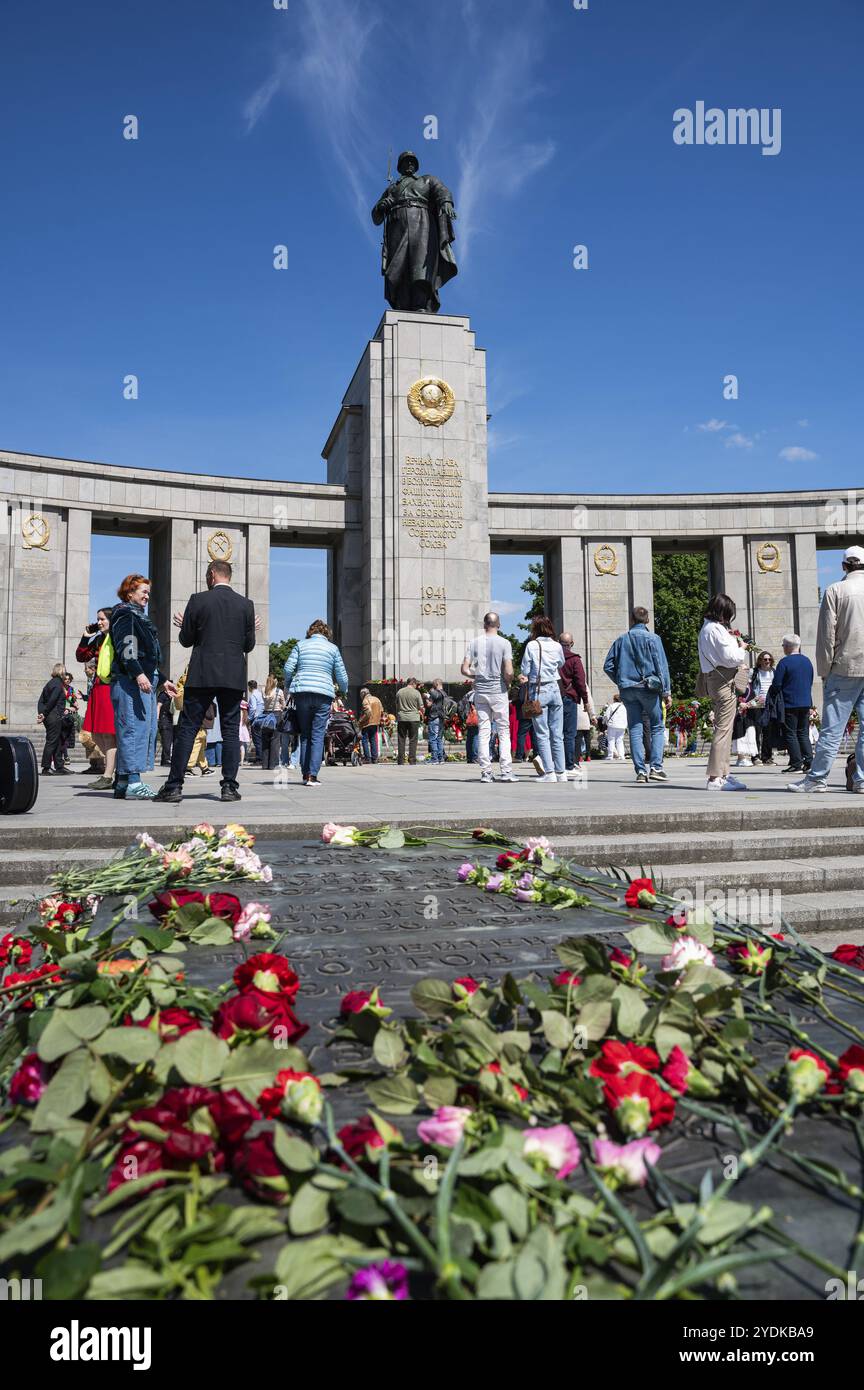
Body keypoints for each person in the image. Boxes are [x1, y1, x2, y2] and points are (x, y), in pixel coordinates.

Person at [153, 559, 256, 804]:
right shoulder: (246, 605)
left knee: (188, 728)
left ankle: (174, 786)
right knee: (231, 730)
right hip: (232, 675)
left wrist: (184, 625)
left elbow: (187, 640)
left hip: (202, 673)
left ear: (211, 574)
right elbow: (248, 645)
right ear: (228, 576)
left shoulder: (198, 600)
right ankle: (229, 787)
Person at [790, 546, 864, 794]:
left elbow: (826, 635)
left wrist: (824, 669)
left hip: (845, 666)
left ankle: (817, 778)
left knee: (832, 729)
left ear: (844, 566)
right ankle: (862, 780)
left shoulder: (835, 590)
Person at [109, 576, 178, 799]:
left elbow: (148, 656)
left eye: (148, 592)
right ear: (130, 593)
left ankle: (122, 782)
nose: (147, 596)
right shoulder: (125, 614)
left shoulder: (137, 615)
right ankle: (134, 783)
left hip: (141, 679)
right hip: (129, 682)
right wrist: (138, 673)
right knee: (132, 730)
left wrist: (162, 678)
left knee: (138, 729)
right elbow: (126, 646)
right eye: (143, 592)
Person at [604, 606, 672, 784]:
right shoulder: (653, 638)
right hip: (649, 688)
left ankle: (640, 771)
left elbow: (608, 666)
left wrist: (621, 681)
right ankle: (656, 767)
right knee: (657, 726)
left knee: (635, 728)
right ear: (647, 620)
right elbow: (661, 666)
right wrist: (666, 691)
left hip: (628, 689)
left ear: (631, 620)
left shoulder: (621, 640)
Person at [283, 619, 349, 786]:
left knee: (305, 734)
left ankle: (305, 775)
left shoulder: (301, 645)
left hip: (302, 693)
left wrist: (289, 685)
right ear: (327, 633)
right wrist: (344, 689)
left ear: (310, 632)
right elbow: (341, 675)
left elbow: (288, 668)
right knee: (318, 735)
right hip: (323, 694)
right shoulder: (333, 649)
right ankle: (313, 775)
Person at [697, 593, 751, 791]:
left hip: (714, 678)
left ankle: (724, 773)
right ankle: (714, 777)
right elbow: (731, 658)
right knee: (723, 730)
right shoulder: (717, 630)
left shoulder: (706, 629)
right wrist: (742, 648)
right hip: (724, 680)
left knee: (725, 729)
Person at [461, 613, 515, 783]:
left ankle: (486, 772)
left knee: (483, 731)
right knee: (503, 731)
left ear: (484, 624)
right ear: (498, 624)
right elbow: (508, 671)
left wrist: (477, 675)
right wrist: (508, 682)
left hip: (481, 692)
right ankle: (506, 771)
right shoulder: (504, 643)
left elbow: (464, 669)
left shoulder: (474, 642)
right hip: (498, 690)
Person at [520, 616, 566, 783]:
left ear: (535, 629)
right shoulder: (557, 645)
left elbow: (525, 668)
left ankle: (549, 772)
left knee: (542, 733)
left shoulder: (532, 645)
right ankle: (561, 772)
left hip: (538, 690)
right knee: (557, 733)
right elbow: (561, 663)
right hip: (555, 688)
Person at [75, 607, 117, 789]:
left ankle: (108, 775)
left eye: (102, 619)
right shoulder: (99, 638)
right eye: (97, 619)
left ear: (110, 620)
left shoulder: (117, 637)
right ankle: (113, 769)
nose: (99, 622)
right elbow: (81, 656)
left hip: (110, 687)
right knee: (96, 733)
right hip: (98, 689)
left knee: (109, 735)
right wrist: (86, 636)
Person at [770, 635, 814, 774]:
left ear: (788, 647)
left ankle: (796, 763)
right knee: (803, 733)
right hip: (806, 702)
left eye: (783, 645)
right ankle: (809, 762)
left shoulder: (784, 662)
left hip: (790, 703)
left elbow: (777, 684)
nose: (783, 648)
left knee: (790, 733)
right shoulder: (807, 661)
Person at [736, 651, 776, 767]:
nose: (767, 661)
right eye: (765, 659)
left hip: (769, 705)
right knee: (756, 732)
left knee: (768, 732)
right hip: (756, 704)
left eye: (769, 659)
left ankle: (767, 757)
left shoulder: (774, 672)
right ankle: (755, 757)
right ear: (760, 660)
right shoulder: (754, 672)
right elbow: (743, 685)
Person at [559, 632, 588, 778]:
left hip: (553, 698)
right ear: (572, 643)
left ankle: (553, 763)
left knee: (555, 732)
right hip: (569, 699)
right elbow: (580, 682)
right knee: (569, 734)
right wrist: (586, 701)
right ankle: (569, 765)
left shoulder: (553, 658)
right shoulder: (574, 659)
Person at [37, 662, 70, 775]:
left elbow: (41, 701)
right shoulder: (57, 684)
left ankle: (59, 766)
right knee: (52, 741)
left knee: (57, 741)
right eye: (64, 671)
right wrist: (44, 713)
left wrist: (41, 713)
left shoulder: (50, 683)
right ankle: (46, 767)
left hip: (50, 716)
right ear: (61, 672)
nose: (65, 674)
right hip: (54, 715)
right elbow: (53, 700)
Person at [396, 677, 424, 766]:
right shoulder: (416, 693)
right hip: (414, 718)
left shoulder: (399, 692)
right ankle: (412, 760)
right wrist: (422, 712)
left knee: (401, 739)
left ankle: (400, 760)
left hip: (402, 718)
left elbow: (397, 704)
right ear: (413, 684)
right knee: (413, 740)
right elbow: (421, 707)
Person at [424, 678, 449, 766]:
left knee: (433, 738)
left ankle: (434, 758)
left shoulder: (433, 692)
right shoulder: (444, 693)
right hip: (442, 717)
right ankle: (441, 758)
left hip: (434, 717)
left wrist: (426, 697)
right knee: (439, 738)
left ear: (436, 684)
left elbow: (429, 704)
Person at [358, 687, 384, 764]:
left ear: (363, 694)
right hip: (375, 722)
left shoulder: (365, 700)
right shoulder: (377, 699)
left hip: (367, 723)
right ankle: (374, 758)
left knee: (364, 740)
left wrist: (360, 720)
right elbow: (382, 710)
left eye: (361, 695)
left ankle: (367, 758)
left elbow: (368, 712)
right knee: (373, 740)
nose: (360, 696)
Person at [603, 691, 628, 760]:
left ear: (614, 699)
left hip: (612, 725)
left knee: (611, 740)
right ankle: (621, 755)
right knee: (620, 740)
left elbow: (606, 716)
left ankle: (610, 755)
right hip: (622, 725)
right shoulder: (624, 707)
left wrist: (605, 722)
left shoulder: (611, 706)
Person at [576, 685, 596, 766]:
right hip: (584, 715)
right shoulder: (584, 685)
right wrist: (593, 715)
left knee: (578, 739)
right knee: (587, 739)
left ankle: (579, 756)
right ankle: (588, 756)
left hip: (575, 716)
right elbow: (590, 701)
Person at [246, 680, 265, 763]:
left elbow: (253, 708)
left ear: (250, 687)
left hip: (256, 718)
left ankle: (259, 758)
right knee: (261, 738)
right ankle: (262, 757)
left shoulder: (253, 695)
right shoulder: (260, 694)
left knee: (256, 739)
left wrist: (249, 718)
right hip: (262, 717)